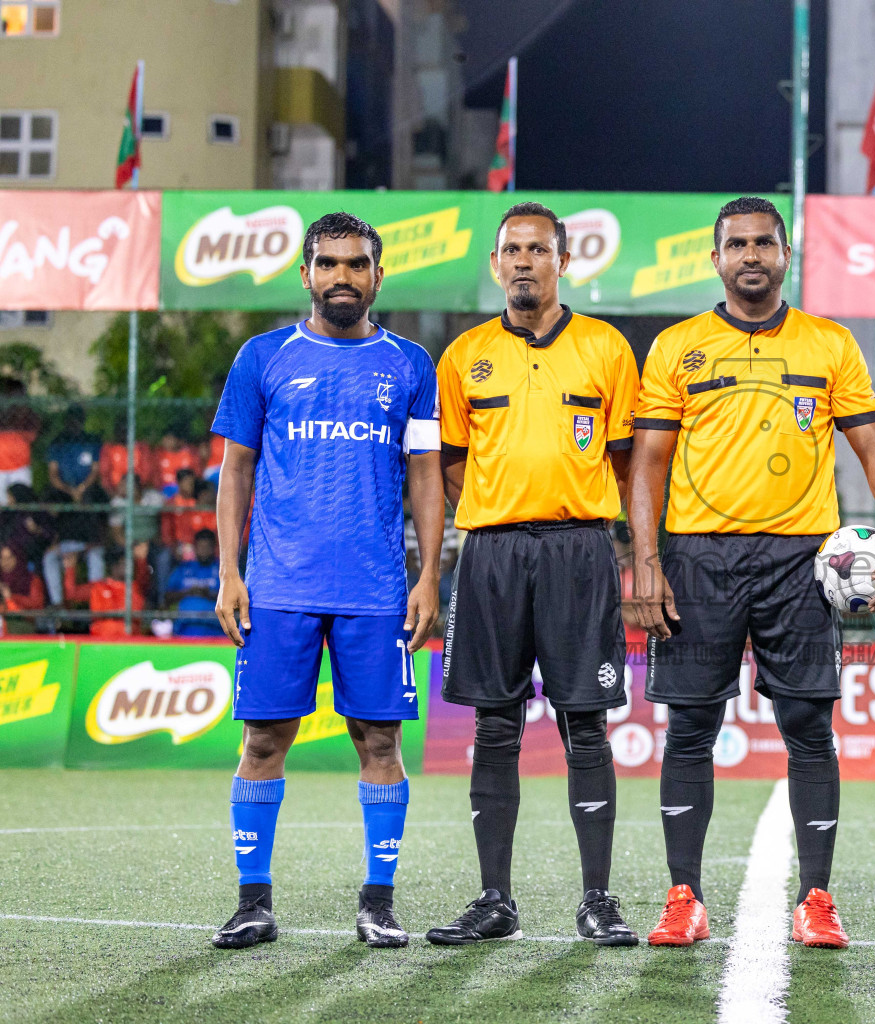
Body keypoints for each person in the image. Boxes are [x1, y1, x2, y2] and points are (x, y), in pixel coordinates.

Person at [630, 196, 875, 950]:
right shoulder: (677, 348)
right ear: (716, 257)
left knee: (807, 727)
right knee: (690, 728)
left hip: (800, 560)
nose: (751, 255)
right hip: (699, 556)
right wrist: (647, 561)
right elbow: (648, 466)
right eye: (737, 244)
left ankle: (816, 898)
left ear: (786, 255)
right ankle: (683, 897)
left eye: (765, 243)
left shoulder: (829, 344)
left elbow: (873, 443)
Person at [209, 212, 443, 951]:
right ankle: (253, 902)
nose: (343, 276)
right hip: (277, 586)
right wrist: (229, 573)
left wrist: (429, 574)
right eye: (329, 264)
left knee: (379, 740)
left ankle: (378, 902)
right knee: (264, 740)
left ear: (378, 275)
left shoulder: (411, 365)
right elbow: (235, 470)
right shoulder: (262, 356)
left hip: (375, 591)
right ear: (305, 273)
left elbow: (429, 474)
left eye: (357, 264)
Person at [426, 203, 641, 948]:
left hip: (580, 551)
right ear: (495, 265)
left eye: (538, 250)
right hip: (490, 554)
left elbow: (623, 458)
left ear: (562, 260)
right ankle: (495, 901)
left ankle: (598, 900)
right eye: (512, 250)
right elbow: (450, 461)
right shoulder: (464, 357)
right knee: (494, 723)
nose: (524, 261)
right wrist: (496, 510)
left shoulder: (607, 349)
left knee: (586, 722)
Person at [63, 547, 144, 637]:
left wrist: (141, 560)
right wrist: (70, 568)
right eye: (124, 564)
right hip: (102, 640)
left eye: (131, 564)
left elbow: (145, 577)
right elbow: (72, 594)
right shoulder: (99, 586)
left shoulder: (136, 587)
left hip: (131, 642)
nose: (129, 568)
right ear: (114, 566)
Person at [166, 529, 221, 637]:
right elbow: (167, 597)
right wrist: (187, 593)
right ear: (195, 547)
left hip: (217, 631)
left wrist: (208, 594)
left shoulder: (223, 569)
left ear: (214, 548)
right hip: (185, 629)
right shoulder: (183, 568)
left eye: (207, 547)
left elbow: (236, 599)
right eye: (201, 547)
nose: (203, 551)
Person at [0, 376, 39, 501]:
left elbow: (33, 435)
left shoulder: (28, 414)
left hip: (20, 466)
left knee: (22, 503)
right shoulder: (2, 412)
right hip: (1, 467)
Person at [0, 542, 45, 635]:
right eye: (2, 558)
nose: (5, 562)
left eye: (9, 558)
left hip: (24, 625)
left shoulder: (32, 580)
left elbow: (34, 610)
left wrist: (10, 598)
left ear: (18, 558)